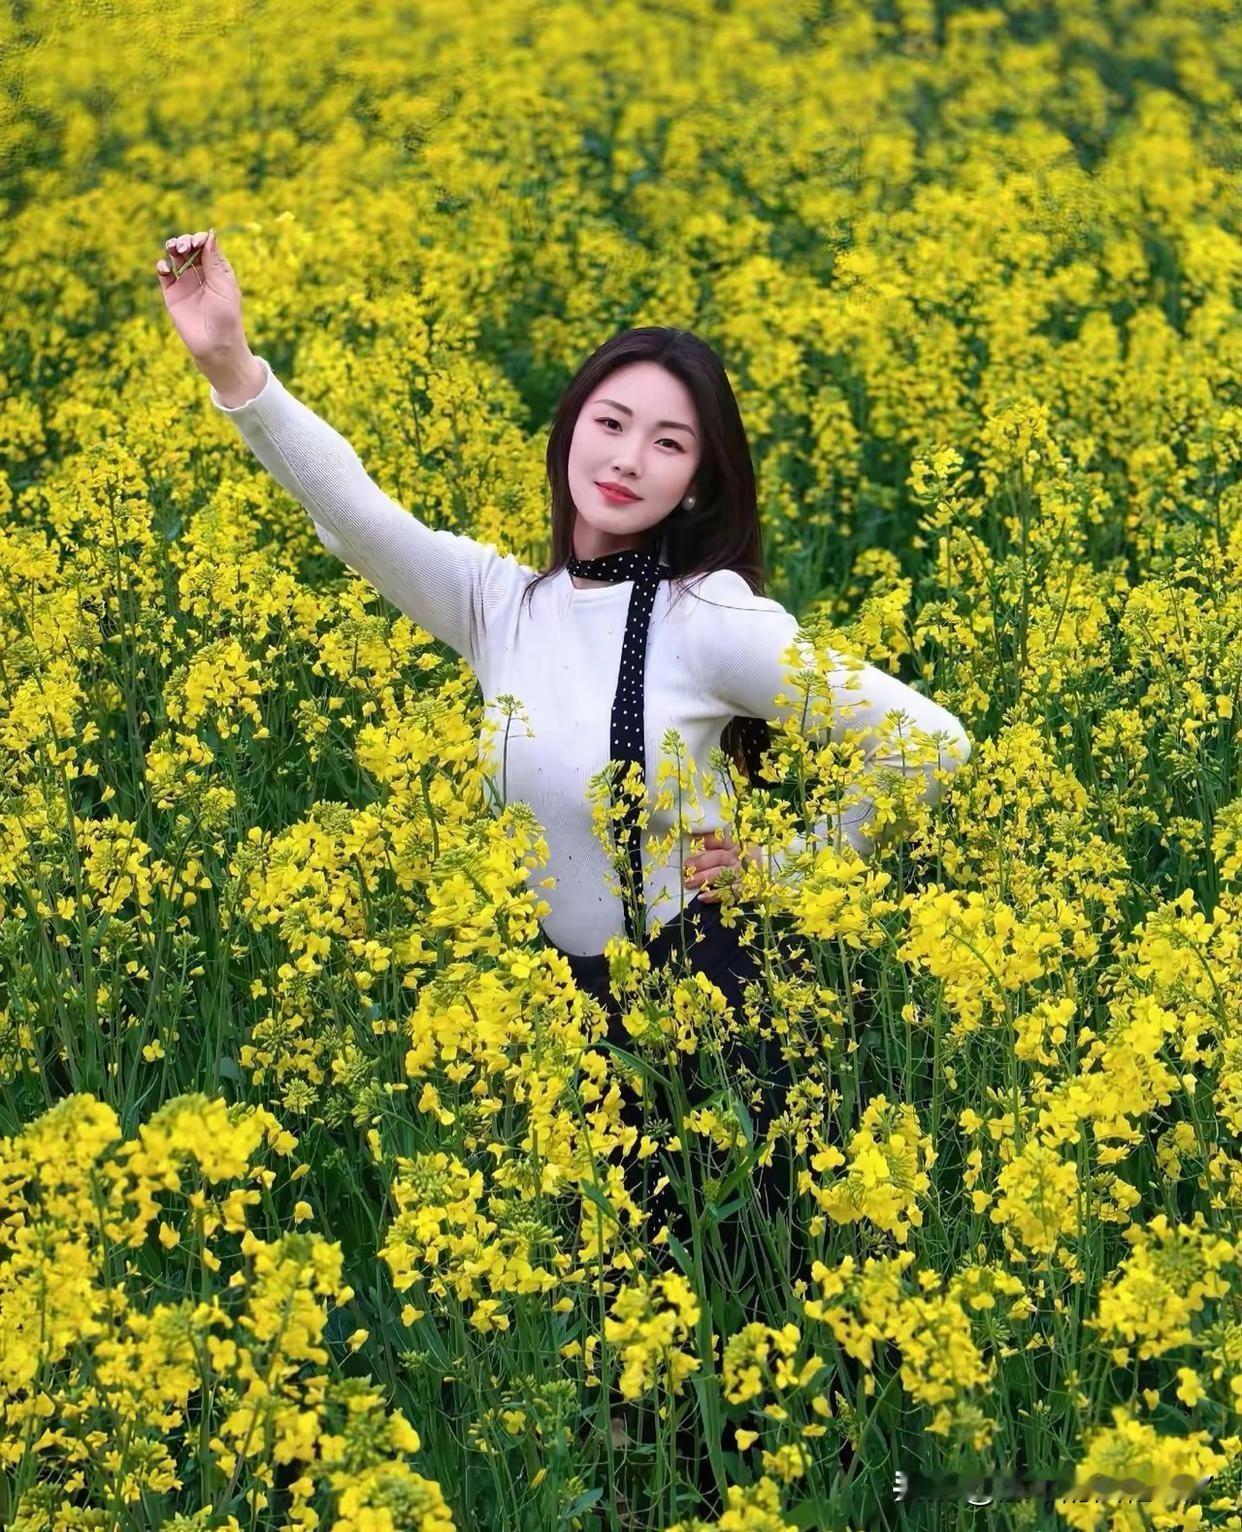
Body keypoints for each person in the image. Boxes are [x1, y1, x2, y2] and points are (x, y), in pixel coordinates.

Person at [154, 227, 972, 1298]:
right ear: (570, 431)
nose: (628, 459)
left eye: (669, 444)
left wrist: (786, 867)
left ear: (699, 482)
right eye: (611, 423)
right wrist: (230, 364)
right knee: (596, 1325)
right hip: (557, 1015)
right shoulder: (503, 605)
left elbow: (932, 743)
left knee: (729, 1314)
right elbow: (354, 517)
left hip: (702, 1008)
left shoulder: (710, 618)